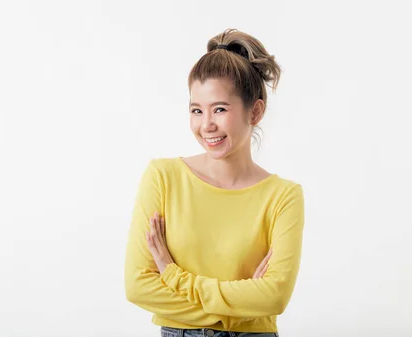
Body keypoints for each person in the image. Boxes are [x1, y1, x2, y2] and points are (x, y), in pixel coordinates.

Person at [124, 28, 305, 337]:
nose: (206, 125)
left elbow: (274, 296)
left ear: (256, 111)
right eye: (197, 110)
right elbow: (138, 287)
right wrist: (241, 307)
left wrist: (172, 274)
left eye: (220, 109)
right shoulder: (163, 178)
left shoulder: (283, 196)